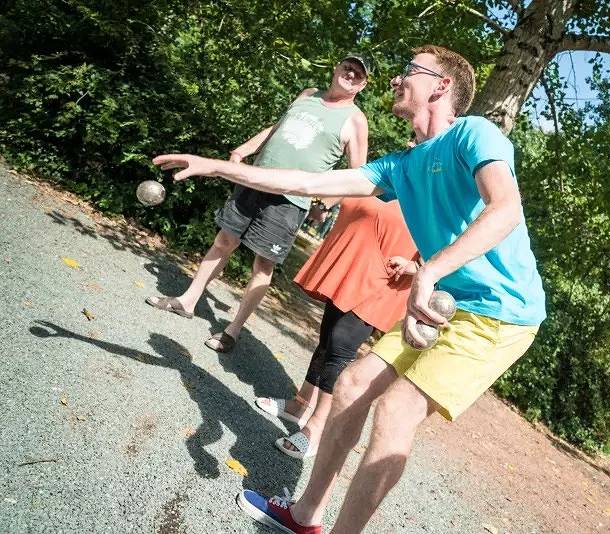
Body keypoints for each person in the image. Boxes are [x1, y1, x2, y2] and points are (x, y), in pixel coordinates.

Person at [154, 44, 547, 534]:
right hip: (447, 306)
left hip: (500, 314)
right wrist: (219, 166)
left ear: (441, 86)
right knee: (353, 384)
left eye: (410, 71)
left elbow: (505, 210)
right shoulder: (402, 166)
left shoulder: (474, 133)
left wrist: (428, 271)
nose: (396, 80)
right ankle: (305, 517)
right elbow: (307, 180)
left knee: (397, 409)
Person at [146, 53, 371, 353]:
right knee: (224, 240)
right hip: (255, 180)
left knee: (262, 265)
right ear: (336, 67)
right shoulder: (308, 95)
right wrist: (244, 149)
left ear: (363, 85)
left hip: (291, 201)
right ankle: (187, 301)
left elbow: (357, 175)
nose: (351, 74)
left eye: (359, 73)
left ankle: (232, 330)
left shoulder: (355, 120)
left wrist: (327, 203)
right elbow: (276, 129)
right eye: (348, 67)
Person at [257, 196, 418, 459]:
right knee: (327, 339)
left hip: (389, 276)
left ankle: (317, 427)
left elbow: (455, 236)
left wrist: (419, 266)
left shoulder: (447, 179)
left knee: (341, 346)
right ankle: (300, 405)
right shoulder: (400, 170)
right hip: (355, 262)